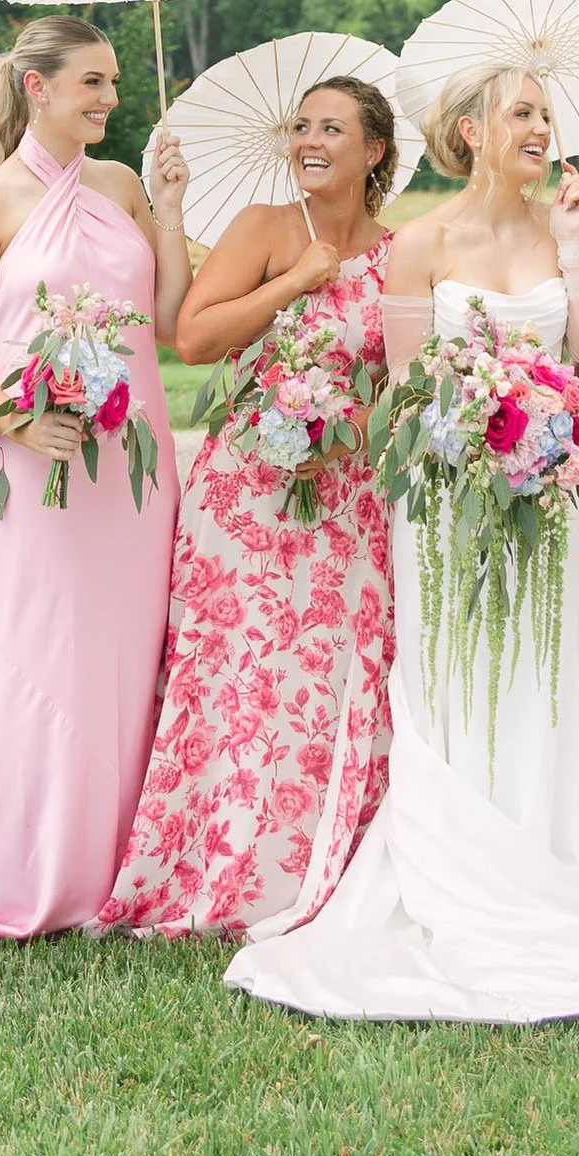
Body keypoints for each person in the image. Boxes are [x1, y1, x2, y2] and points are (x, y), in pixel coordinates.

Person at [230, 65, 579, 1023]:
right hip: (444, 496)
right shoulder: (423, 244)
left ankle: (539, 866)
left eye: (545, 115)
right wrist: (478, 430)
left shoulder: (569, 227)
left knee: (538, 675)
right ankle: (448, 870)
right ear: (473, 131)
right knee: (452, 674)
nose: (540, 128)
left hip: (554, 496)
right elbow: (403, 388)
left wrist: (575, 251)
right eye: (523, 112)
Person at [107, 73, 399, 941]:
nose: (310, 140)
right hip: (247, 499)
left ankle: (330, 864)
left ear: (374, 151)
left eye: (332, 128)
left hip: (348, 495)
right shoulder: (267, 228)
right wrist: (297, 280)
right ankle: (223, 864)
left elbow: (404, 375)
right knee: (241, 673)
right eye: (301, 126)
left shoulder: (402, 248)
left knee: (338, 677)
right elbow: (191, 337)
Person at [0, 17, 187, 939]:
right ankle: (28, 862)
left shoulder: (121, 186)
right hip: (38, 461)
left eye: (114, 82)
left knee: (128, 645)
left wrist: (174, 208)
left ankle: (126, 859)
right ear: (38, 88)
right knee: (40, 643)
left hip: (132, 463)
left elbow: (163, 314)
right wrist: (16, 421)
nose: (111, 99)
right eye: (92, 84)